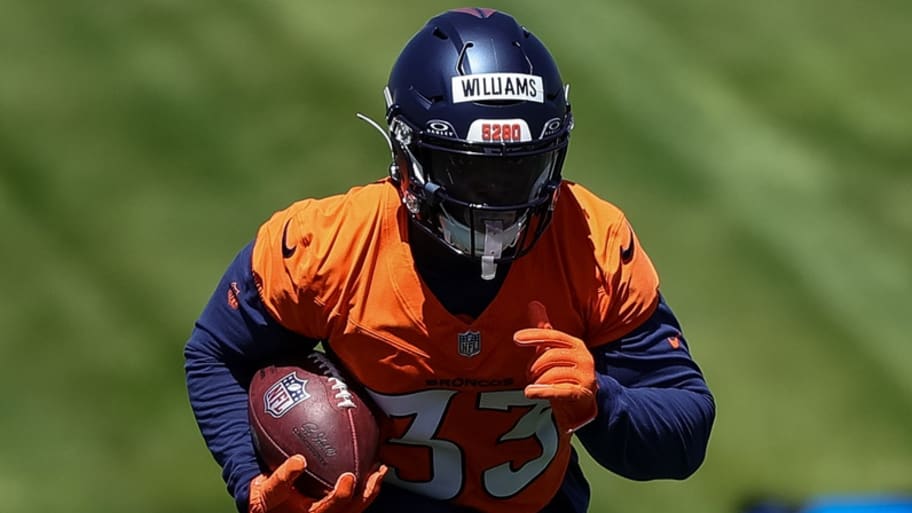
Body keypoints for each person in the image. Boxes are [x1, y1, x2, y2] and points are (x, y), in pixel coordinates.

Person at [184, 7, 715, 513]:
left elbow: (686, 429)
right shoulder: (328, 244)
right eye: (470, 171)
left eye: (519, 171)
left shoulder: (590, 240)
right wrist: (250, 479)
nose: (498, 201)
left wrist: (603, 401)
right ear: (406, 157)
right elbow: (217, 355)